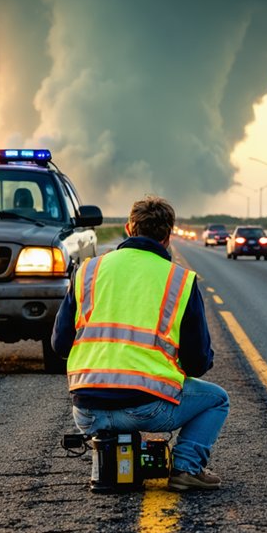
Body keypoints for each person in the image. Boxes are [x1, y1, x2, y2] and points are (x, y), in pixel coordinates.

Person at [51, 195, 229, 491]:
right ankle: (186, 468)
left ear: (128, 229)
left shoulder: (88, 272)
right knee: (217, 399)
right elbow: (197, 361)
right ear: (168, 236)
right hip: (147, 408)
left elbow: (60, 344)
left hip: (87, 411)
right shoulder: (179, 280)